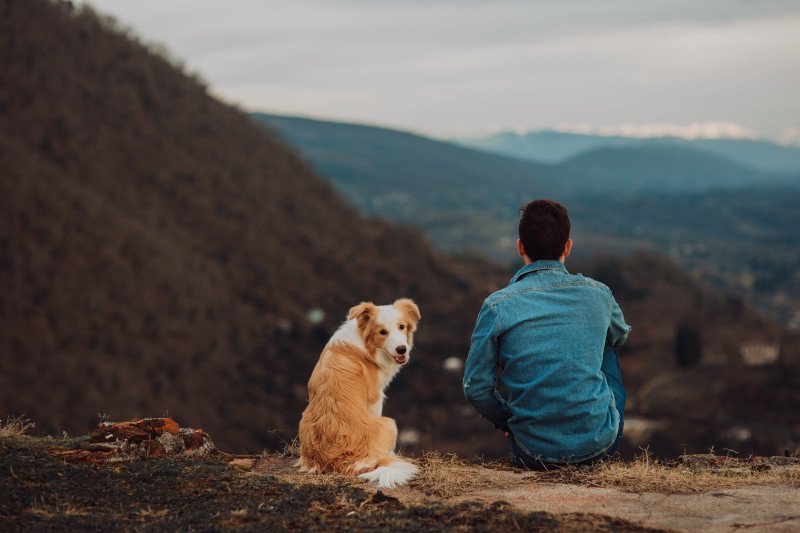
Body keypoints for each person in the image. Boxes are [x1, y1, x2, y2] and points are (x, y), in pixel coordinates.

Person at [463, 199, 630, 469]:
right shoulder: (598, 293)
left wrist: (509, 420)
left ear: (520, 246)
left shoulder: (497, 306)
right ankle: (588, 425)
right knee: (608, 343)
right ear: (567, 246)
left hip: (532, 451)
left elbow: (476, 387)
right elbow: (620, 337)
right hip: (598, 445)